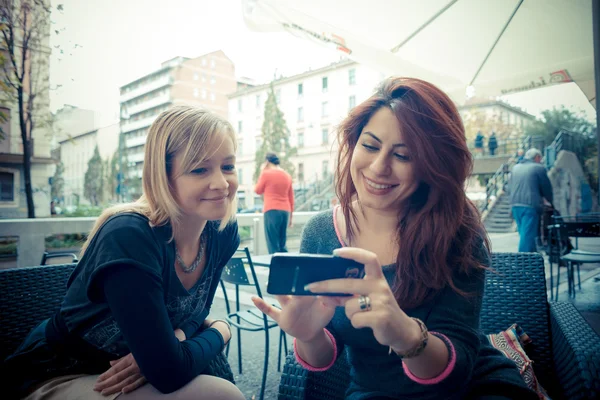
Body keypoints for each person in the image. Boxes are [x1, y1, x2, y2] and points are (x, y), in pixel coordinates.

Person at [253, 77, 537, 400]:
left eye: (402, 155)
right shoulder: (320, 232)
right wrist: (308, 335)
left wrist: (405, 335)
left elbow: (460, 365)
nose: (378, 167)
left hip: (474, 387)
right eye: (370, 146)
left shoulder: (457, 230)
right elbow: (323, 356)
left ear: (431, 165)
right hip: (375, 392)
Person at [3, 106, 245, 400]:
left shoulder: (221, 231)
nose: (221, 183)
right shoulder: (130, 235)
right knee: (219, 395)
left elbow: (197, 313)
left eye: (228, 166)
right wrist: (222, 329)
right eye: (199, 169)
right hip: (58, 374)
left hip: (139, 372)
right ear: (163, 175)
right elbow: (169, 372)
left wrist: (177, 339)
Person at [508, 148, 553, 252]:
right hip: (530, 206)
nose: (541, 160)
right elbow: (546, 188)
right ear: (537, 157)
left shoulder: (515, 168)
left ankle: (531, 261)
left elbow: (509, 188)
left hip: (515, 205)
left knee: (525, 234)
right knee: (527, 237)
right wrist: (552, 202)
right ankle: (522, 263)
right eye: (540, 158)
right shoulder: (538, 168)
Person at [254, 152, 294, 253]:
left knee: (272, 244)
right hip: (285, 211)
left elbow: (257, 190)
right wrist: (291, 218)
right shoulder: (287, 175)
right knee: (282, 243)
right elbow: (291, 198)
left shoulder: (266, 173)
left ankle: (275, 268)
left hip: (271, 210)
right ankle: (287, 267)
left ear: (267, 162)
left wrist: (262, 171)